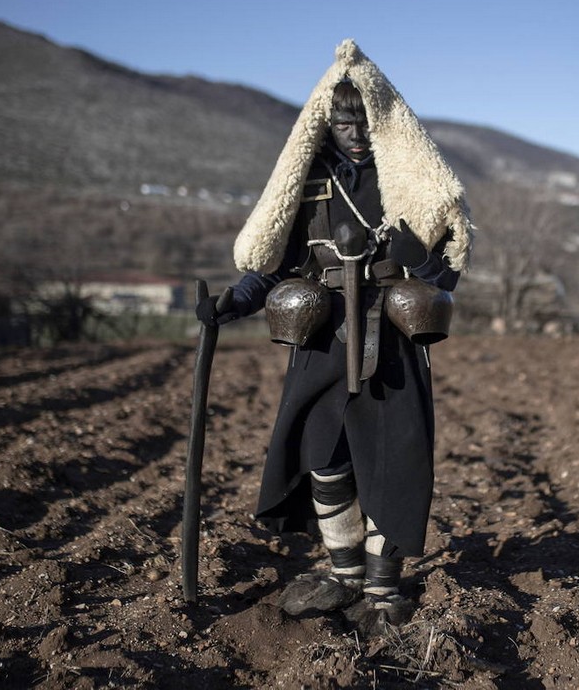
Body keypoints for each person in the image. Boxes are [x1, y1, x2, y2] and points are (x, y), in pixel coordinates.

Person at [196, 40, 472, 635]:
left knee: (391, 459)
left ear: (381, 122)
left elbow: (446, 271)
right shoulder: (307, 181)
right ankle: (344, 572)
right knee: (324, 456)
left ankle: (382, 586)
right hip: (322, 337)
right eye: (343, 122)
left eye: (362, 121)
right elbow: (271, 261)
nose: (353, 133)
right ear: (326, 121)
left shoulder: (410, 183)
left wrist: (416, 257)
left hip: (392, 339)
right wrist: (230, 305)